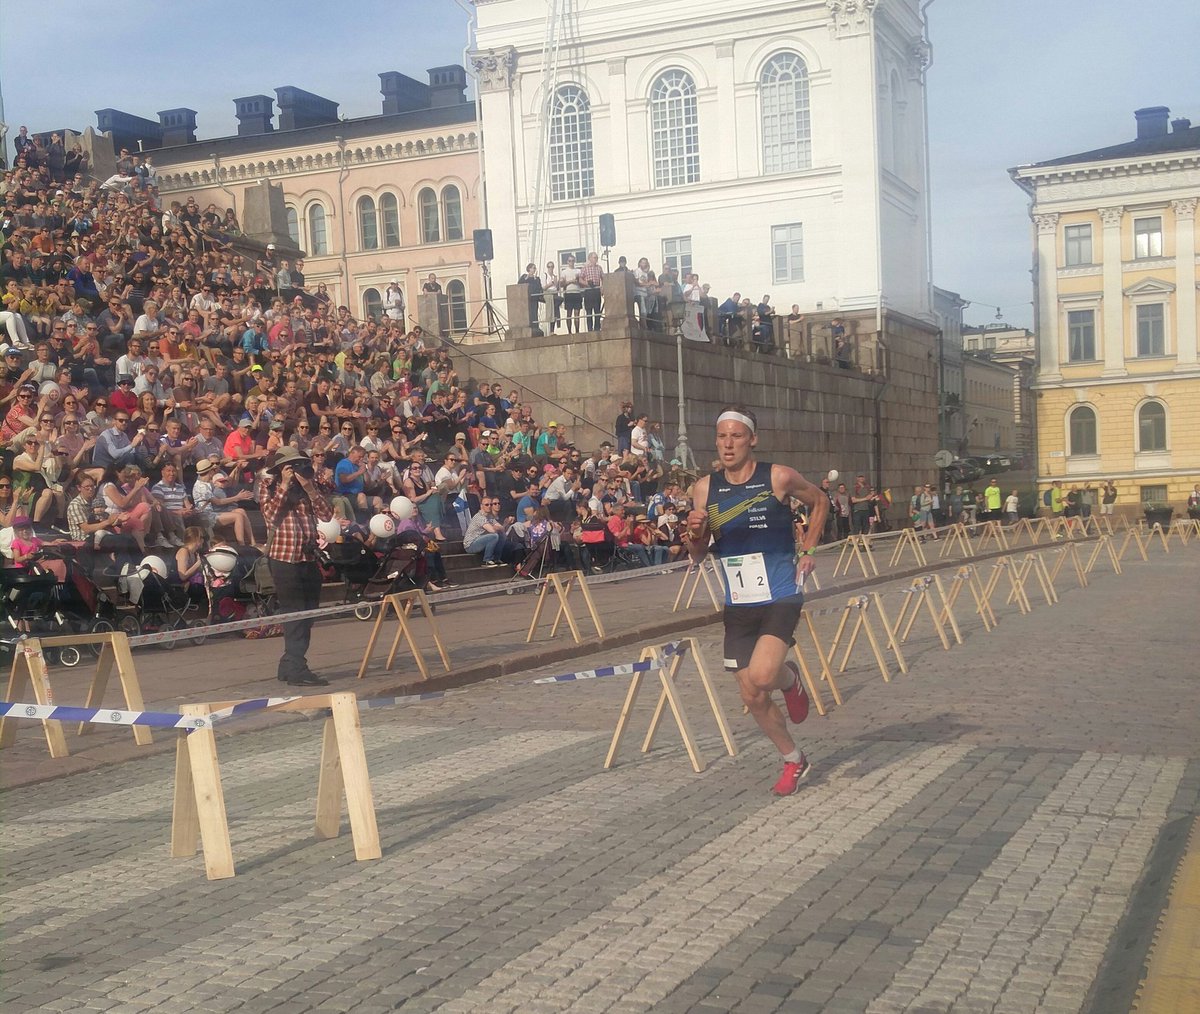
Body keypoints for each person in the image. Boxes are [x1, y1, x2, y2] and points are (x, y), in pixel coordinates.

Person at [683, 405, 827, 796]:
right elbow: (697, 554)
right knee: (751, 694)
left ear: (752, 440)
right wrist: (695, 532)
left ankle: (789, 678)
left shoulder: (778, 477)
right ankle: (793, 759)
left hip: (780, 593)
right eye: (722, 437)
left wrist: (809, 549)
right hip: (739, 600)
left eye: (736, 436)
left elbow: (819, 501)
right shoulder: (704, 489)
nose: (728, 444)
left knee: (764, 676)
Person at [259, 446, 333, 687]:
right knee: (295, 614)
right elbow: (270, 516)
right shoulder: (269, 486)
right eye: (291, 466)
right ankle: (297, 669)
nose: (296, 470)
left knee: (308, 614)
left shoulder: (307, 487)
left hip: (308, 558)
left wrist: (310, 488)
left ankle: (288, 663)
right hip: (283, 559)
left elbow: (327, 515)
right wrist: (284, 485)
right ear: (281, 469)